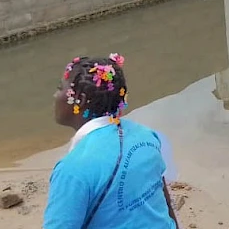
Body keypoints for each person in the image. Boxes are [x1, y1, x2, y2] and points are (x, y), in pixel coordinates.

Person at [43, 54, 179, 229]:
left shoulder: (72, 170)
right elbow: (163, 198)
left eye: (60, 88)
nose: (55, 95)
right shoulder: (146, 136)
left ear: (80, 100)